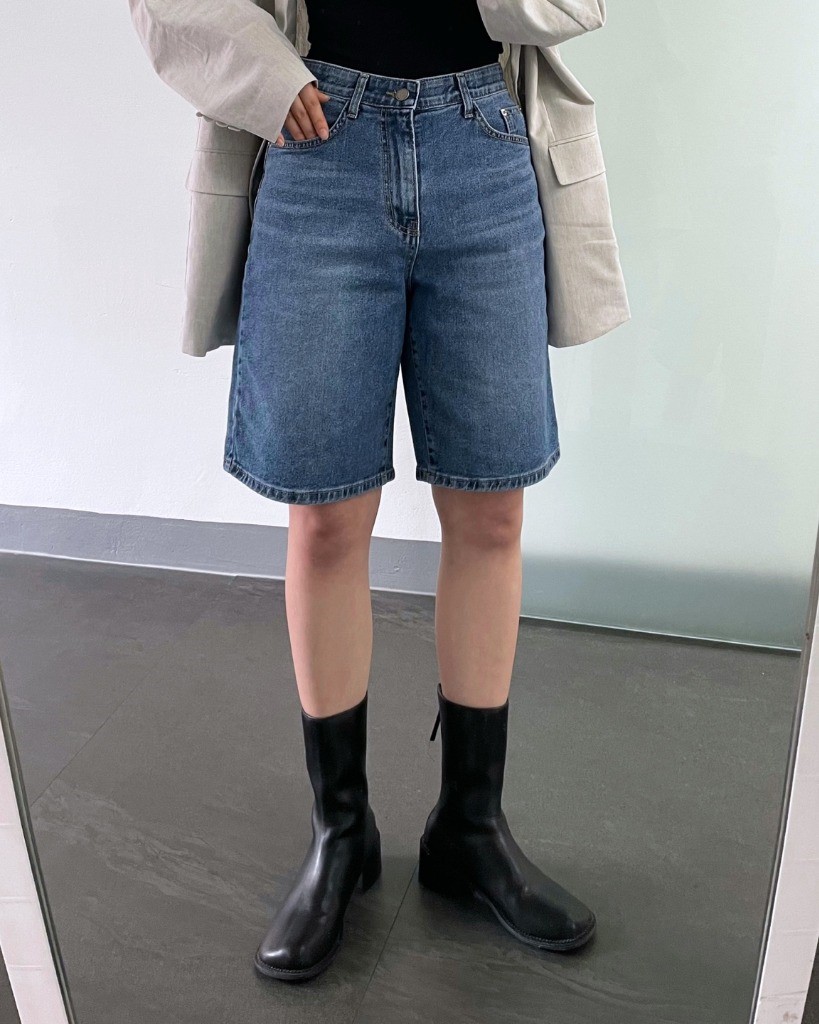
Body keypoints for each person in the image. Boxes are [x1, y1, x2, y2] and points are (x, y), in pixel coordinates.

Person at [230, 0, 598, 983]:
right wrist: (262, 74)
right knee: (325, 516)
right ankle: (340, 834)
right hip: (320, 139)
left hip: (481, 136)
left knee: (493, 506)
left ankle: (470, 830)